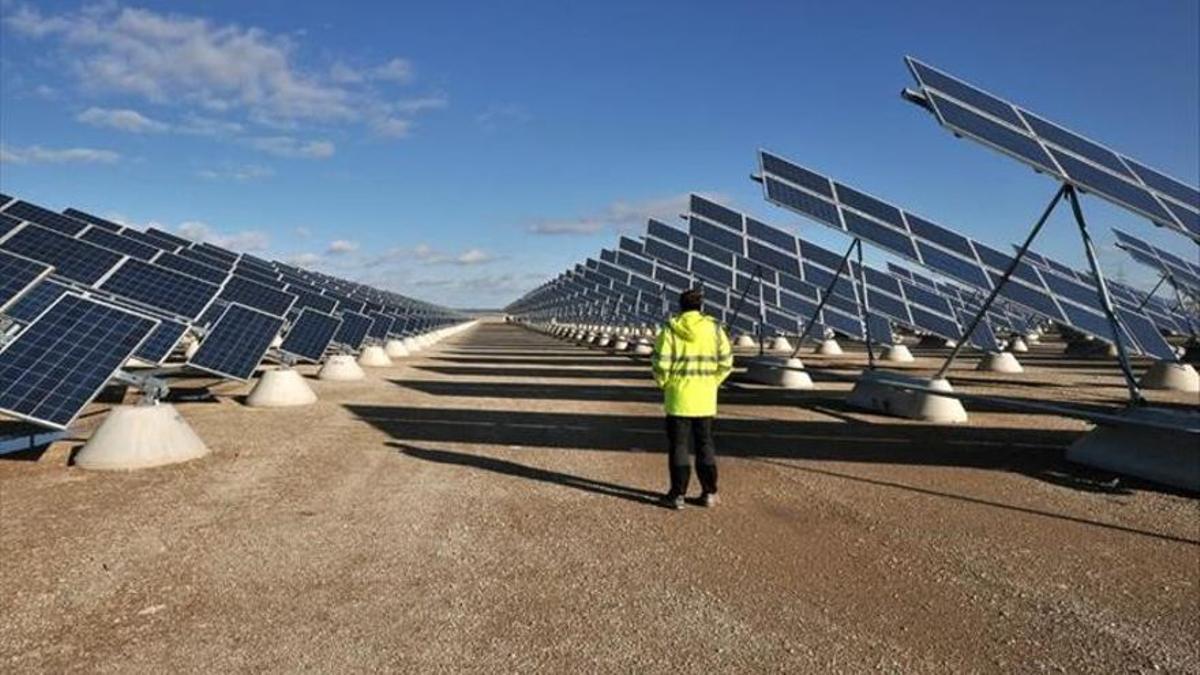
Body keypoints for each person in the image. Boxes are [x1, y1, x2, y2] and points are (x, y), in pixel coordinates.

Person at [650, 288, 733, 509]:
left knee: (678, 446)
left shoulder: (669, 329)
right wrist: (712, 381)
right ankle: (710, 493)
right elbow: (726, 362)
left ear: (681, 306)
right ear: (701, 307)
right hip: (705, 398)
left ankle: (677, 495)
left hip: (678, 398)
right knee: (705, 444)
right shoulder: (715, 329)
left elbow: (660, 363)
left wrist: (665, 383)